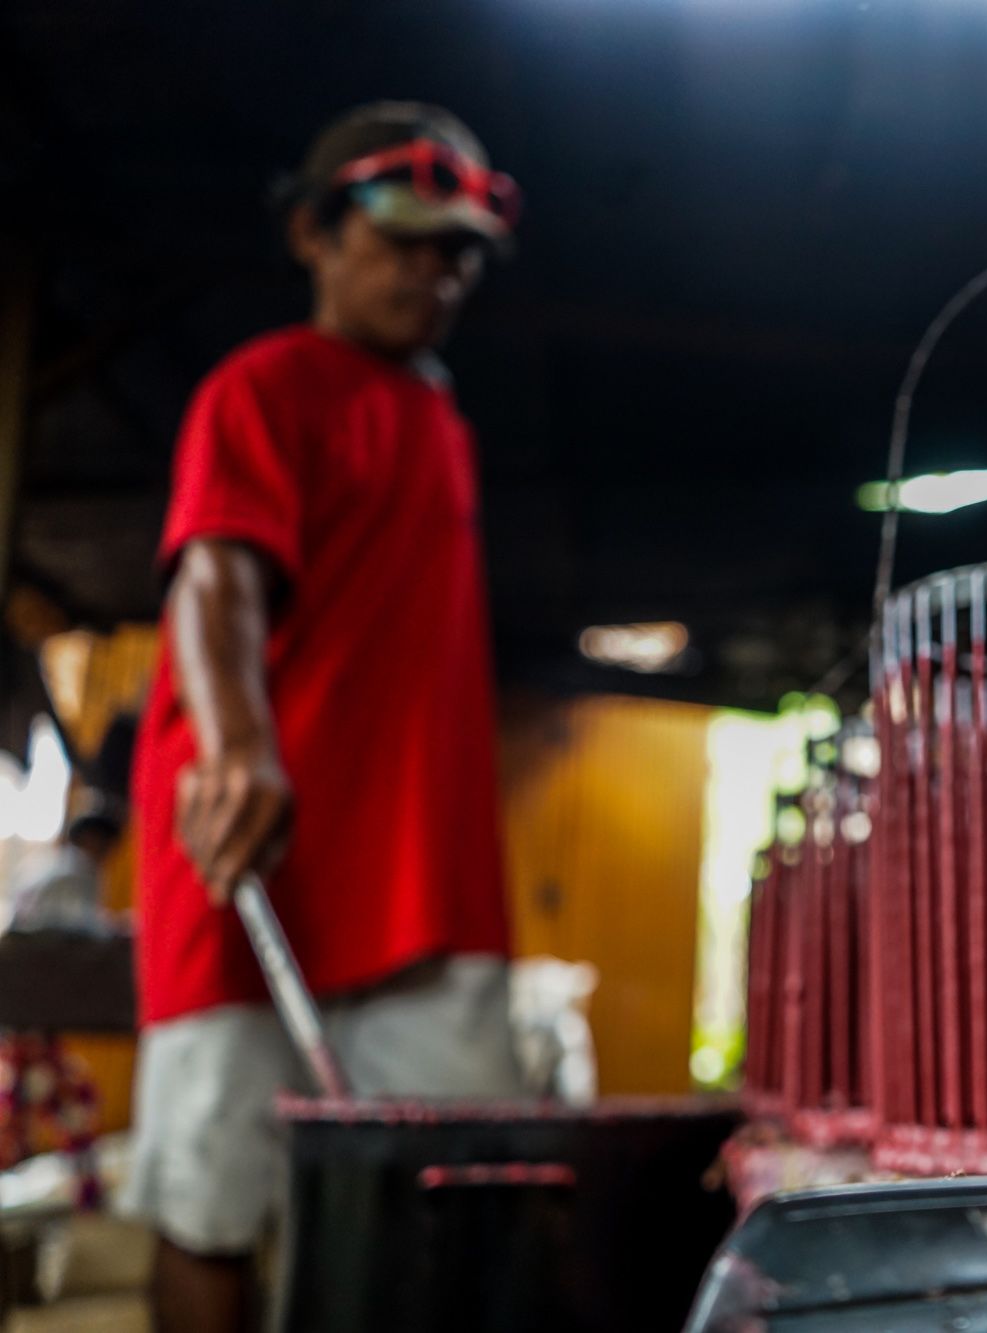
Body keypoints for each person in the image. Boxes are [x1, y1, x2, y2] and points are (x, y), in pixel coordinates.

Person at [123, 103, 525, 1333]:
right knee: (213, 1200)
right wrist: (241, 745)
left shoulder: (442, 419)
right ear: (313, 232)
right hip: (249, 853)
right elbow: (218, 577)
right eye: (402, 239)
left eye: (454, 252)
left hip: (421, 881)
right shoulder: (265, 387)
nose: (432, 271)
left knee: (461, 1200)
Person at [9, 800, 120, 933]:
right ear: (89, 838)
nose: (108, 851)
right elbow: (77, 922)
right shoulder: (78, 867)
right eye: (104, 843)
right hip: (40, 943)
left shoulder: (55, 859)